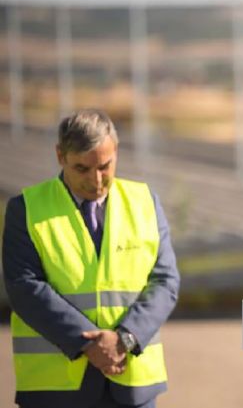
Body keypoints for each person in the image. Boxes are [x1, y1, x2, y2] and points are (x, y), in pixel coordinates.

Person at [2, 109, 180, 408]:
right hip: (56, 388)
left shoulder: (145, 202)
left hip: (132, 384)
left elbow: (165, 281)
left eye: (104, 166)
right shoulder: (26, 208)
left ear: (116, 152)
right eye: (82, 168)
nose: (96, 180)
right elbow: (24, 286)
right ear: (60, 156)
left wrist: (124, 339)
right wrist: (89, 344)